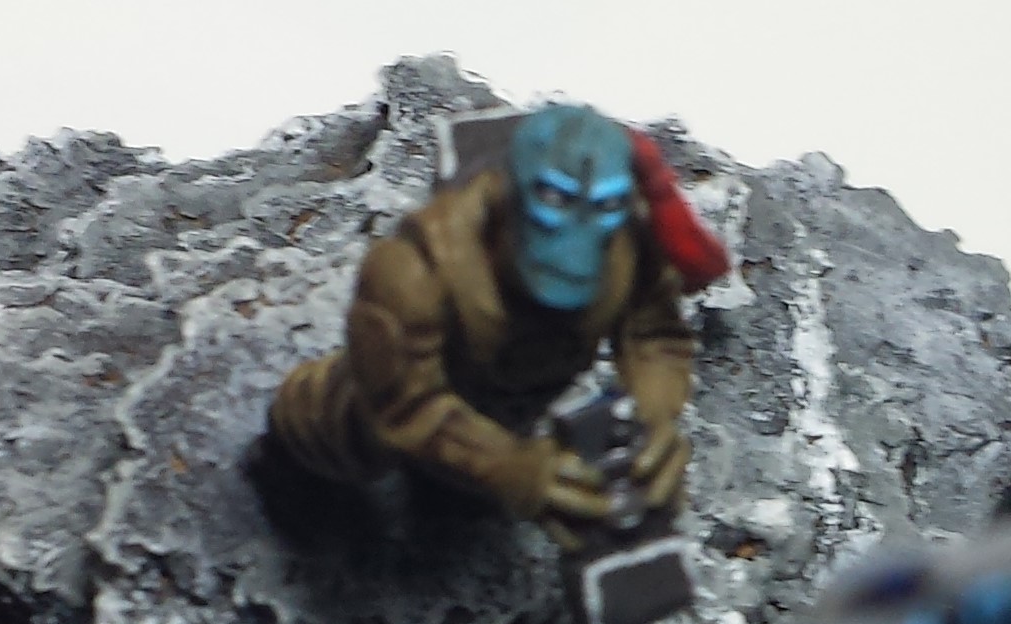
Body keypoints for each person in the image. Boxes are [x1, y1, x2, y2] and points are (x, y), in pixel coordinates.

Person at [266, 102, 707, 534]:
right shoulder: (414, 268)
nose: (578, 239)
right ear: (509, 195)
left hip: (518, 407)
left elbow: (656, 337)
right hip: (386, 408)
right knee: (339, 438)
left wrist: (649, 422)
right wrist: (508, 468)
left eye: (604, 207)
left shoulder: (631, 245)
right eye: (554, 200)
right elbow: (405, 404)